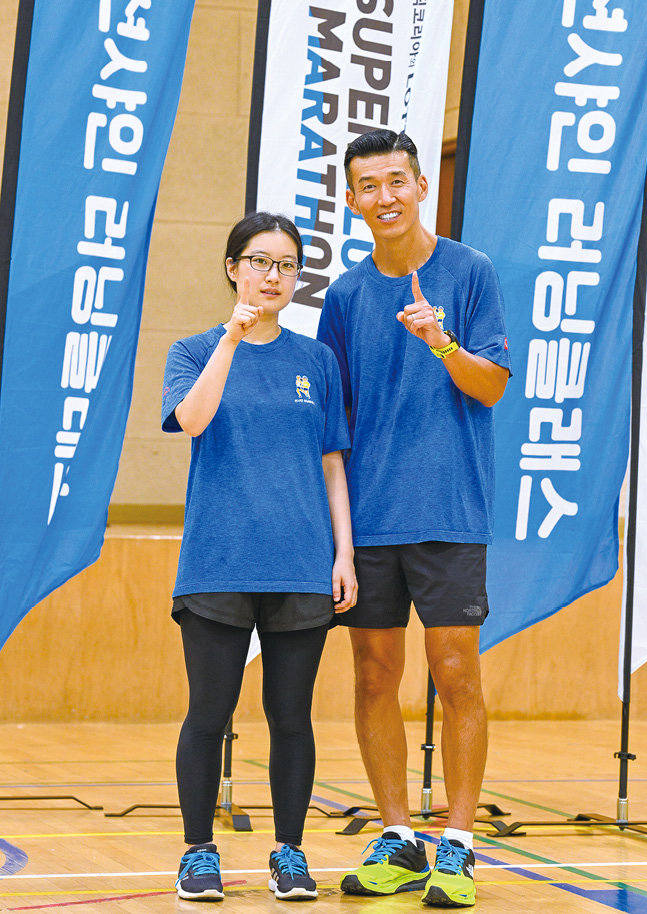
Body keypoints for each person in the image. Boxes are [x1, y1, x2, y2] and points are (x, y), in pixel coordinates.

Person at [317, 129, 511, 908]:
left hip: (450, 512)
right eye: (369, 185)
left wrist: (440, 342)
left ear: (421, 186)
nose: (385, 196)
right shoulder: (342, 295)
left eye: (396, 180)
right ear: (353, 200)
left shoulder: (470, 272)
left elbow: (491, 386)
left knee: (457, 674)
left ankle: (457, 844)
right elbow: (334, 417)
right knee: (373, 676)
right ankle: (398, 834)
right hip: (367, 522)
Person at [161, 212, 357, 902]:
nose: (273, 276)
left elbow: (333, 461)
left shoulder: (317, 361)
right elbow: (192, 419)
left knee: (291, 717)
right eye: (259, 261)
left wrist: (345, 554)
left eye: (286, 265)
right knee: (208, 713)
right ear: (232, 267)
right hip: (217, 561)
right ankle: (196, 853)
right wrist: (232, 339)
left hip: (300, 564)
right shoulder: (192, 350)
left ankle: (289, 853)